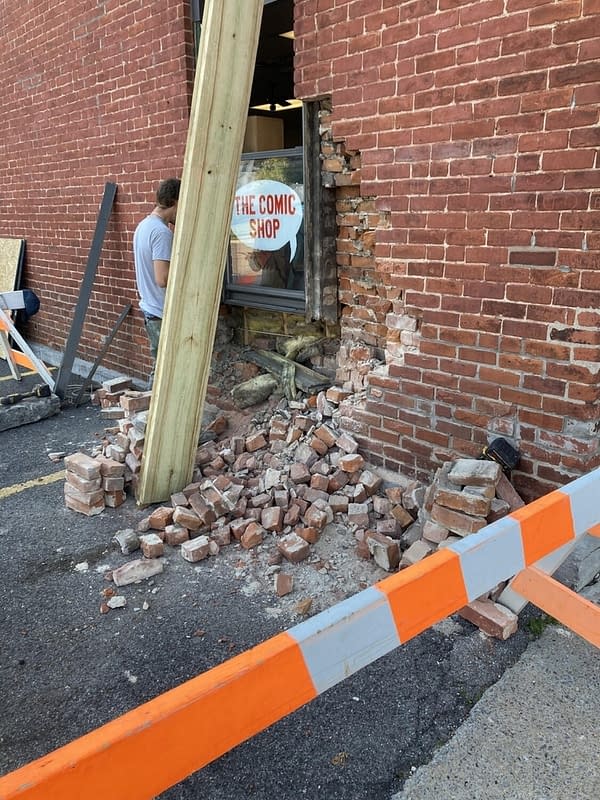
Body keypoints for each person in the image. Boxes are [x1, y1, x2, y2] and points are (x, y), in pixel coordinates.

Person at [133, 177, 181, 389]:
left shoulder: (143, 226)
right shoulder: (162, 233)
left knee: (161, 369)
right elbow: (162, 278)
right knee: (165, 375)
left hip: (151, 310)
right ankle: (152, 418)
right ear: (175, 202)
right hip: (160, 314)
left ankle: (149, 416)